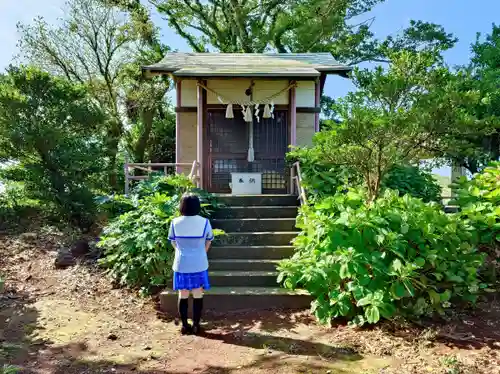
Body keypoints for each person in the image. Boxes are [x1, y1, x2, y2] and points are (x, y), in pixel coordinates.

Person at [168, 193, 214, 335]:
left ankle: (184, 325)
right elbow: (209, 240)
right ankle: (196, 325)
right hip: (199, 263)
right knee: (198, 294)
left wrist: (180, 252)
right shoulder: (205, 222)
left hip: (181, 263)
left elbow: (173, 241)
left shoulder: (175, 222)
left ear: (182, 205)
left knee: (183, 295)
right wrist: (202, 252)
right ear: (197, 206)